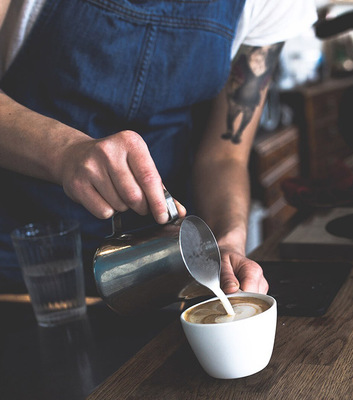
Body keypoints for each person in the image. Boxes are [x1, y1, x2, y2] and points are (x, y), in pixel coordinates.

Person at [0, 0, 317, 294]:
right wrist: (66, 152)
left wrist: (227, 240)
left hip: (159, 261)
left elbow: (225, 155)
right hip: (22, 252)